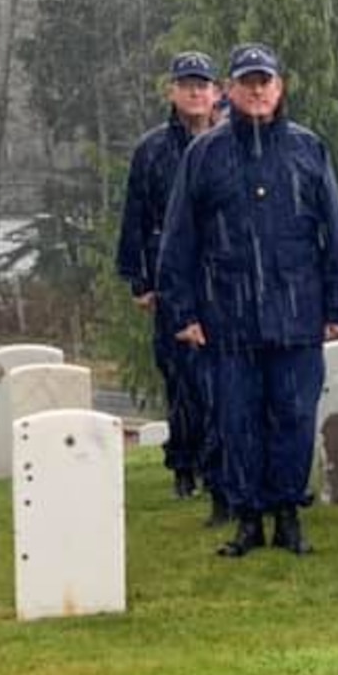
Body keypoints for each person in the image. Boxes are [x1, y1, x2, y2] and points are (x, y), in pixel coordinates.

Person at [158, 43, 338, 558]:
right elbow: (179, 238)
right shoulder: (204, 154)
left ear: (279, 87)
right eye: (246, 81)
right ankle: (247, 519)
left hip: (296, 312)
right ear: (230, 89)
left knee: (293, 417)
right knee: (238, 420)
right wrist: (181, 311)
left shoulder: (307, 149)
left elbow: (334, 232)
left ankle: (288, 515)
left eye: (264, 80)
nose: (256, 90)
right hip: (228, 314)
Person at [117, 51, 224, 514]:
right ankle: (184, 465)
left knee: (221, 377)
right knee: (181, 378)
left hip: (223, 276)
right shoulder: (153, 149)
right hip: (171, 276)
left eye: (203, 84)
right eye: (187, 85)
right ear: (173, 92)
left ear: (216, 91)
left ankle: (219, 460)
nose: (196, 92)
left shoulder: (230, 142)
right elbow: (135, 219)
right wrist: (140, 279)